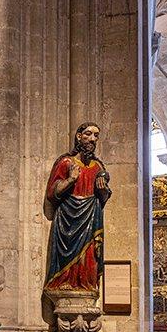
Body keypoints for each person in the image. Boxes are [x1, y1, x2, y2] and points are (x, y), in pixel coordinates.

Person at [43, 122, 111, 291]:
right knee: (66, 254)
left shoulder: (98, 167)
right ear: (79, 137)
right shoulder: (66, 162)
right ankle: (63, 282)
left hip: (91, 215)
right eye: (88, 134)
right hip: (68, 217)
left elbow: (103, 198)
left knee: (89, 257)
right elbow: (52, 192)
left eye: (96, 136)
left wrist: (102, 190)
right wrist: (71, 179)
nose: (92, 139)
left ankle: (87, 285)